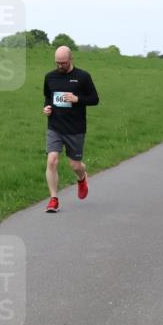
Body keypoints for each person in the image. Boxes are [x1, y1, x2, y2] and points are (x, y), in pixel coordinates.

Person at [42, 46, 99, 212]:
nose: (60, 66)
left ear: (71, 59)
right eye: (57, 63)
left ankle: (82, 178)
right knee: (52, 160)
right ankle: (53, 199)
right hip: (55, 126)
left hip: (75, 128)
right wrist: (46, 107)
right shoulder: (50, 77)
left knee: (75, 165)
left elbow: (94, 99)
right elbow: (48, 97)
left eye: (63, 63)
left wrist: (77, 98)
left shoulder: (83, 77)